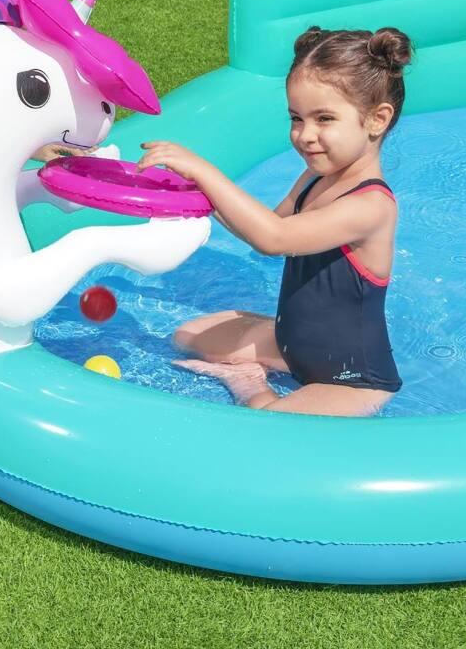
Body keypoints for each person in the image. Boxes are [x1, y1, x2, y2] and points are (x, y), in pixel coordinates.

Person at [139, 26, 413, 416]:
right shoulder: (315, 178)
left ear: (376, 119)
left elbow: (274, 238)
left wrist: (202, 170)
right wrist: (193, 193)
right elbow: (261, 226)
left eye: (324, 118)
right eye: (296, 118)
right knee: (186, 336)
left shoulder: (371, 206)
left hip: (349, 376)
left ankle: (249, 383)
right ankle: (272, 340)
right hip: (292, 343)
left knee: (268, 427)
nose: (305, 135)